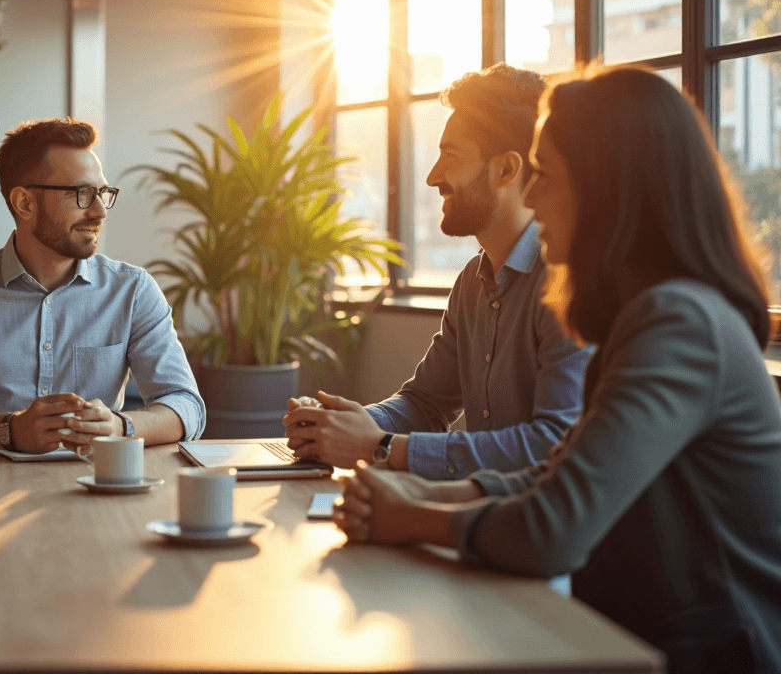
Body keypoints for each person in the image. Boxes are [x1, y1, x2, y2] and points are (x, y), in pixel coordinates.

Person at [335, 65, 781, 673]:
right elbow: (557, 470)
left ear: (607, 186)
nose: (534, 194)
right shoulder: (645, 315)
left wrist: (410, 513)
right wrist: (416, 486)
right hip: (636, 638)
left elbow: (554, 527)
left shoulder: (680, 324)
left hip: (707, 653)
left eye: (546, 174)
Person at [284, 64, 592, 479]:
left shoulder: (567, 283)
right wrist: (343, 424)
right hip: (480, 513)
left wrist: (380, 447)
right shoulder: (472, 281)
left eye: (450, 156)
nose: (432, 177)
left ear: (505, 170)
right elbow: (426, 404)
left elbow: (552, 443)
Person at [0, 118, 204, 451]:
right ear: (25, 203)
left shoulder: (133, 291)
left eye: (102, 194)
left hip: (95, 489)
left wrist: (122, 427)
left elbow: (186, 405)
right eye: (82, 193)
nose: (99, 211)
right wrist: (7, 430)